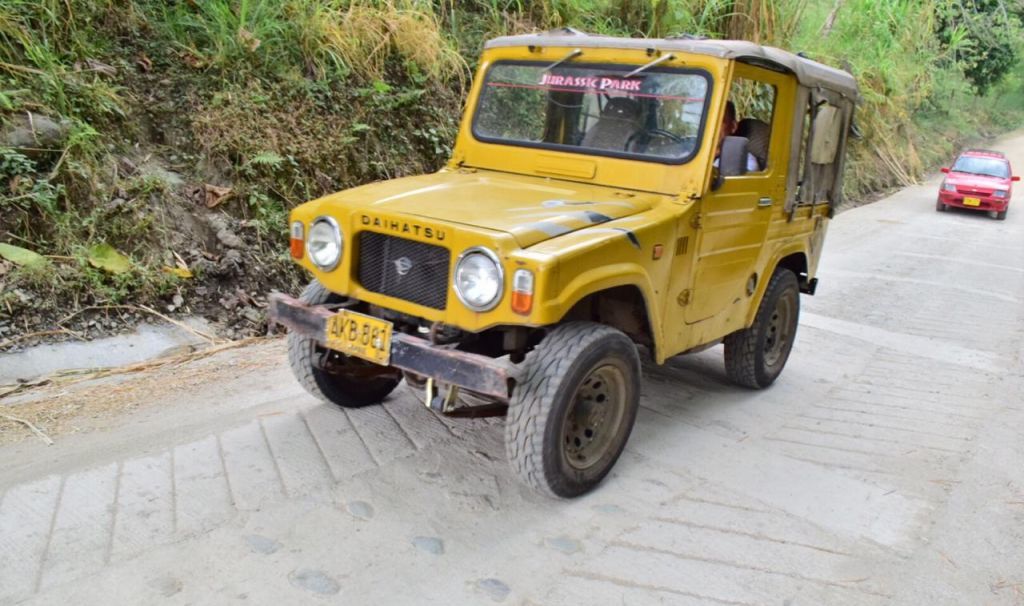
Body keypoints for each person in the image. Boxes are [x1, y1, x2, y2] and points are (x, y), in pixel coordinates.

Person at [715, 100, 760, 172]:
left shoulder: (745, 162)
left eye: (717, 122)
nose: (711, 128)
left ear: (733, 127)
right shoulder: (693, 152)